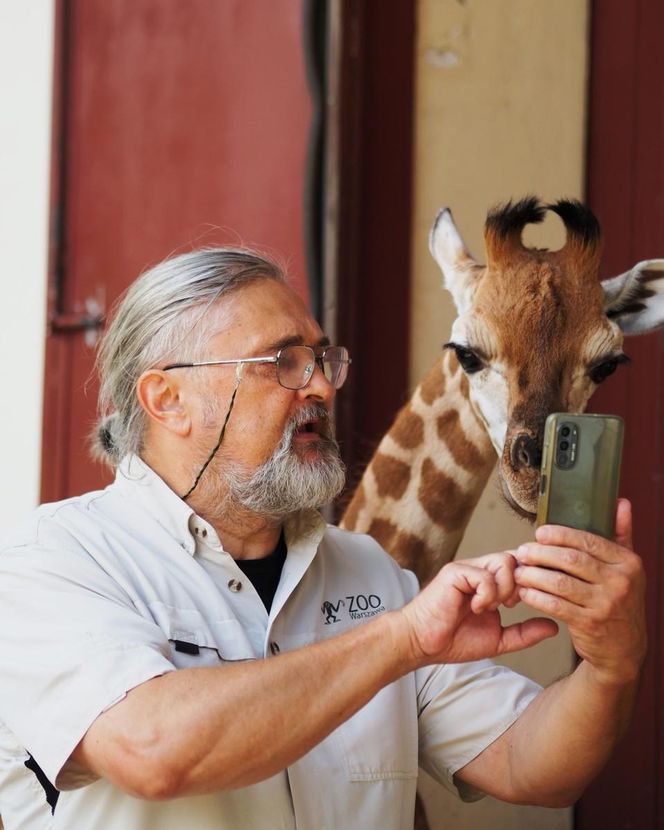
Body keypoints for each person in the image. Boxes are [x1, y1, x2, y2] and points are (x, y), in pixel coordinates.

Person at [0, 248, 645, 830]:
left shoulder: (368, 570)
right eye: (283, 362)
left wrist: (611, 666)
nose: (321, 386)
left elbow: (530, 764)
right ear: (168, 399)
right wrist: (402, 639)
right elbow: (153, 750)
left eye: (321, 359)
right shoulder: (53, 562)